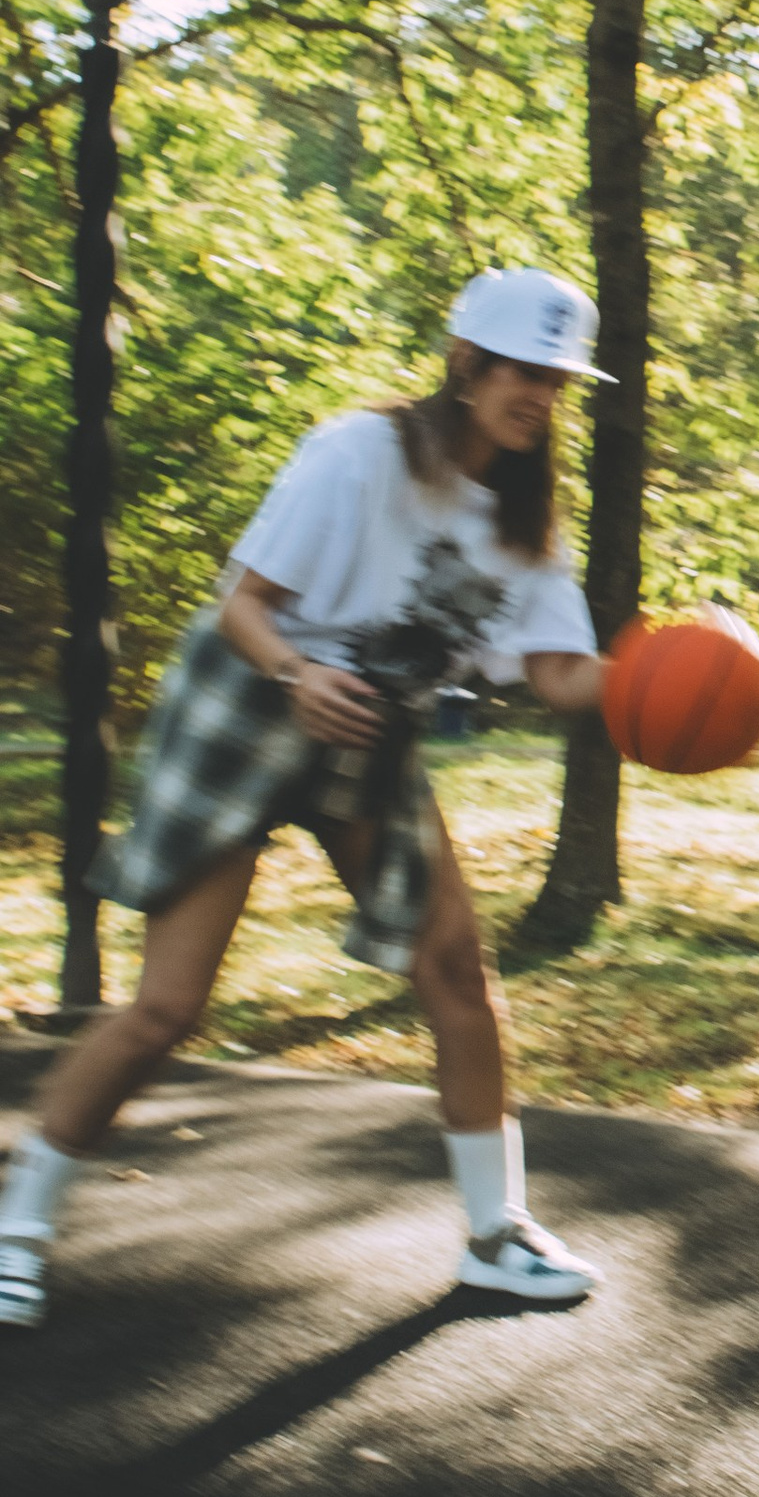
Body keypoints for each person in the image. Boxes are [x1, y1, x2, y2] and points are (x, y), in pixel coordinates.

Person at [0, 269, 616, 1330]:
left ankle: (494, 1235)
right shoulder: (357, 454)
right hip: (252, 693)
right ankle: (16, 1229)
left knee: (458, 972)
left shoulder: (529, 529)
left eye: (559, 380)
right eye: (525, 369)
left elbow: (560, 674)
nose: (541, 396)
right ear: (466, 363)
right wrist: (298, 674)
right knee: (166, 1007)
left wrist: (666, 687)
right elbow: (242, 605)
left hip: (373, 727)